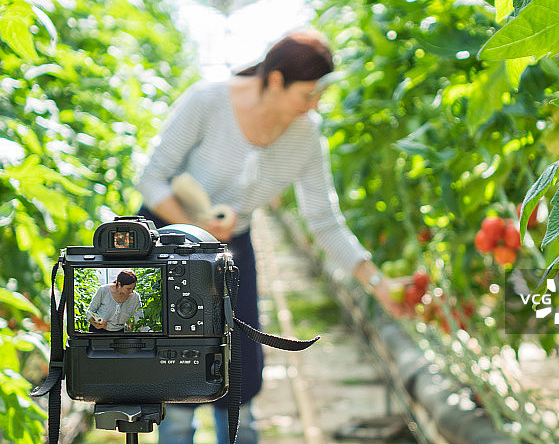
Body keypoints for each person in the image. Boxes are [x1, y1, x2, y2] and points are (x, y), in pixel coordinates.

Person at [136, 30, 403, 444]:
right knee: (177, 379)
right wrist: (196, 226)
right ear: (275, 80)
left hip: (230, 249)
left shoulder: (304, 136)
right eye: (307, 93)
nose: (314, 105)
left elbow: (324, 219)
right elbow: (151, 178)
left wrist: (378, 283)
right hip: (168, 245)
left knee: (238, 376)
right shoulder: (208, 101)